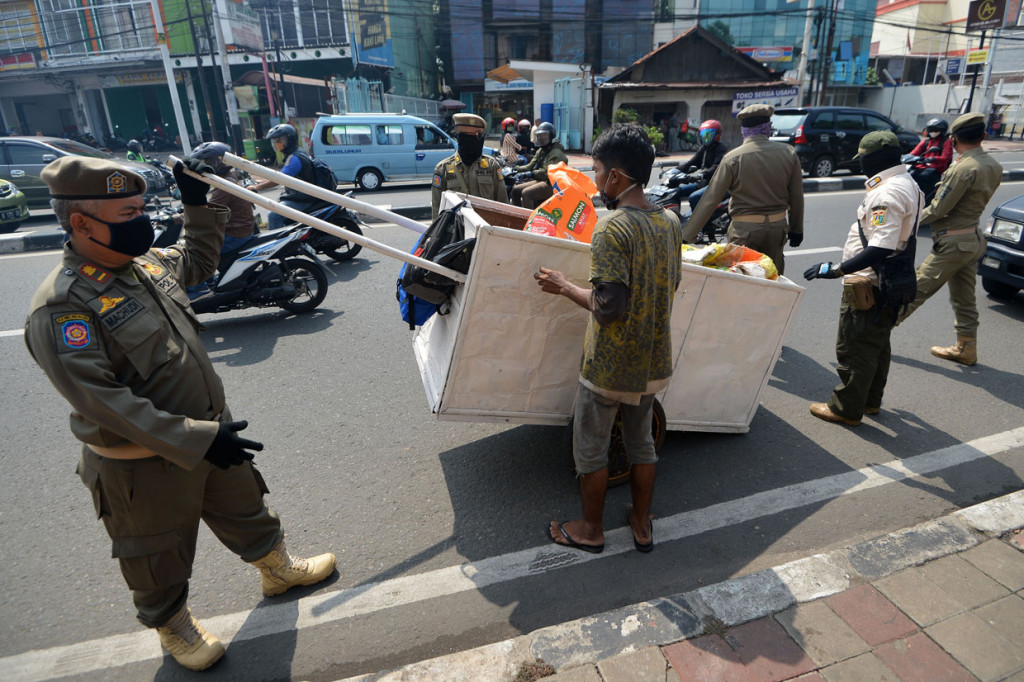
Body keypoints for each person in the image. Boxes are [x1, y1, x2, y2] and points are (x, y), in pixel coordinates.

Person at [24, 156, 336, 672]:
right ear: (81, 223)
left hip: (210, 435)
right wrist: (195, 438)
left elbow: (197, 259)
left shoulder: (142, 266)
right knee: (156, 552)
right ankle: (173, 624)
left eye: (143, 208)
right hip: (142, 462)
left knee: (245, 504)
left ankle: (276, 568)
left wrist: (196, 205)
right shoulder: (63, 307)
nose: (142, 221)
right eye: (129, 212)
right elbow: (103, 402)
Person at [534, 123, 683, 555]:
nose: (595, 180)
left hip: (610, 366)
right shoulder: (670, 222)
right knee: (642, 444)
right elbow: (668, 285)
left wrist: (564, 285)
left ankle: (590, 529)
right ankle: (640, 521)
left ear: (616, 177)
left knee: (592, 450)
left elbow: (607, 306)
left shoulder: (612, 230)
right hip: (653, 360)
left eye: (597, 170)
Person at [803, 130, 923, 426]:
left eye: (863, 160)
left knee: (854, 347)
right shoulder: (908, 184)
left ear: (875, 159)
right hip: (891, 280)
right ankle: (870, 401)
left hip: (868, 282)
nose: (861, 165)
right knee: (877, 344)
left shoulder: (888, 192)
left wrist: (838, 269)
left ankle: (845, 408)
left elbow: (882, 245)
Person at [894, 112, 1003, 366]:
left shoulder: (964, 167)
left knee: (914, 290)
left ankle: (872, 337)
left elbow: (939, 209)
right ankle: (966, 347)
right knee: (964, 298)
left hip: (952, 243)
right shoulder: (993, 165)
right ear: (984, 136)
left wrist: (907, 221)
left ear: (952, 139)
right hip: (972, 239)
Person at [682, 104, 804, 276]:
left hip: (744, 232)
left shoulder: (733, 158)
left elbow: (711, 199)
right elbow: (796, 196)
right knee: (773, 280)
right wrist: (796, 229)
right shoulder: (788, 153)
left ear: (744, 131)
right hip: (777, 229)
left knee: (744, 284)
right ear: (767, 128)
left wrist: (686, 236)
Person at [431, 113, 508, 219]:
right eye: (471, 137)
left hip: (485, 231)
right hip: (456, 233)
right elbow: (437, 212)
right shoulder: (442, 169)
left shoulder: (492, 166)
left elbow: (503, 206)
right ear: (461, 138)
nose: (477, 142)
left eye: (480, 137)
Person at [251, 123, 323, 229]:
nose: (277, 144)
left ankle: (277, 245)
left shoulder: (294, 158)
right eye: (275, 141)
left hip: (304, 199)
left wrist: (257, 187)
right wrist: (258, 183)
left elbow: (278, 179)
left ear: (289, 140)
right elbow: (277, 176)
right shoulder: (294, 154)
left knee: (274, 215)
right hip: (300, 196)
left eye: (280, 140)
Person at [510, 122, 569, 209]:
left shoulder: (556, 154)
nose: (541, 138)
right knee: (515, 190)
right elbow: (530, 165)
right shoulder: (542, 150)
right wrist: (515, 169)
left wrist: (530, 174)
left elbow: (547, 174)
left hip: (553, 184)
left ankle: (528, 220)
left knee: (527, 193)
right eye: (539, 136)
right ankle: (517, 217)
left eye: (544, 136)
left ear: (551, 136)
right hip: (542, 180)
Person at [675, 119, 730, 211]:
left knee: (694, 197)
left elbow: (715, 168)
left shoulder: (721, 149)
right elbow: (691, 163)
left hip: (715, 185)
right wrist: (675, 170)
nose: (705, 137)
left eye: (708, 134)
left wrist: (701, 175)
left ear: (717, 135)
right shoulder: (703, 149)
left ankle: (697, 222)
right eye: (703, 134)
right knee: (676, 191)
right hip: (703, 183)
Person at [908, 118, 953, 199]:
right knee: (909, 174)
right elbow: (914, 153)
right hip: (922, 166)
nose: (932, 132)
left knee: (923, 177)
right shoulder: (926, 142)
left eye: (935, 130)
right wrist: (907, 158)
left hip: (936, 169)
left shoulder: (946, 142)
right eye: (931, 130)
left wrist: (933, 159)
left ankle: (923, 198)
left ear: (942, 130)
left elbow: (945, 157)